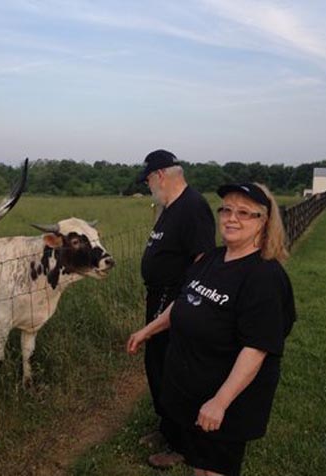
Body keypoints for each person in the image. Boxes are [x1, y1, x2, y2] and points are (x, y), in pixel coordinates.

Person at [128, 182, 296, 476]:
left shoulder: (264, 276)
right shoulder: (212, 259)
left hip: (227, 399)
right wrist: (149, 330)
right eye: (227, 210)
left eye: (245, 213)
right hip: (194, 390)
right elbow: (185, 301)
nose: (232, 218)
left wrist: (221, 401)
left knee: (214, 470)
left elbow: (256, 348)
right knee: (199, 465)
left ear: (264, 222)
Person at [137, 149, 216, 468]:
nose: (146, 187)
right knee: (156, 363)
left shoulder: (193, 208)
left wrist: (185, 303)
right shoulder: (170, 207)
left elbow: (202, 261)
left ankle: (181, 444)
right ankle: (167, 427)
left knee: (174, 369)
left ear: (160, 176)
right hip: (158, 296)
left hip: (176, 300)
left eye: (147, 181)